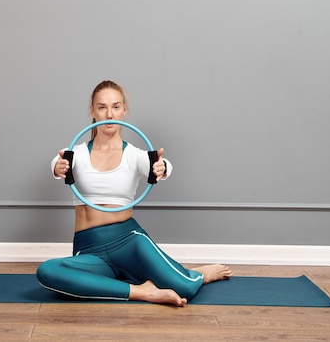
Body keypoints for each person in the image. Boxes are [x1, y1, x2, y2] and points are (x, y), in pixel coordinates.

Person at [36, 80, 232, 307]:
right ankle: (143, 291)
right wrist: (58, 167)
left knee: (186, 287)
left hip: (128, 242)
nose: (109, 113)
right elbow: (57, 163)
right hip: (89, 249)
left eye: (116, 106)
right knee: (48, 271)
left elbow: (161, 165)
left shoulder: (135, 155)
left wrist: (162, 167)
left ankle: (198, 274)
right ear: (92, 110)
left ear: (124, 110)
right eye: (102, 107)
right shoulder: (74, 154)